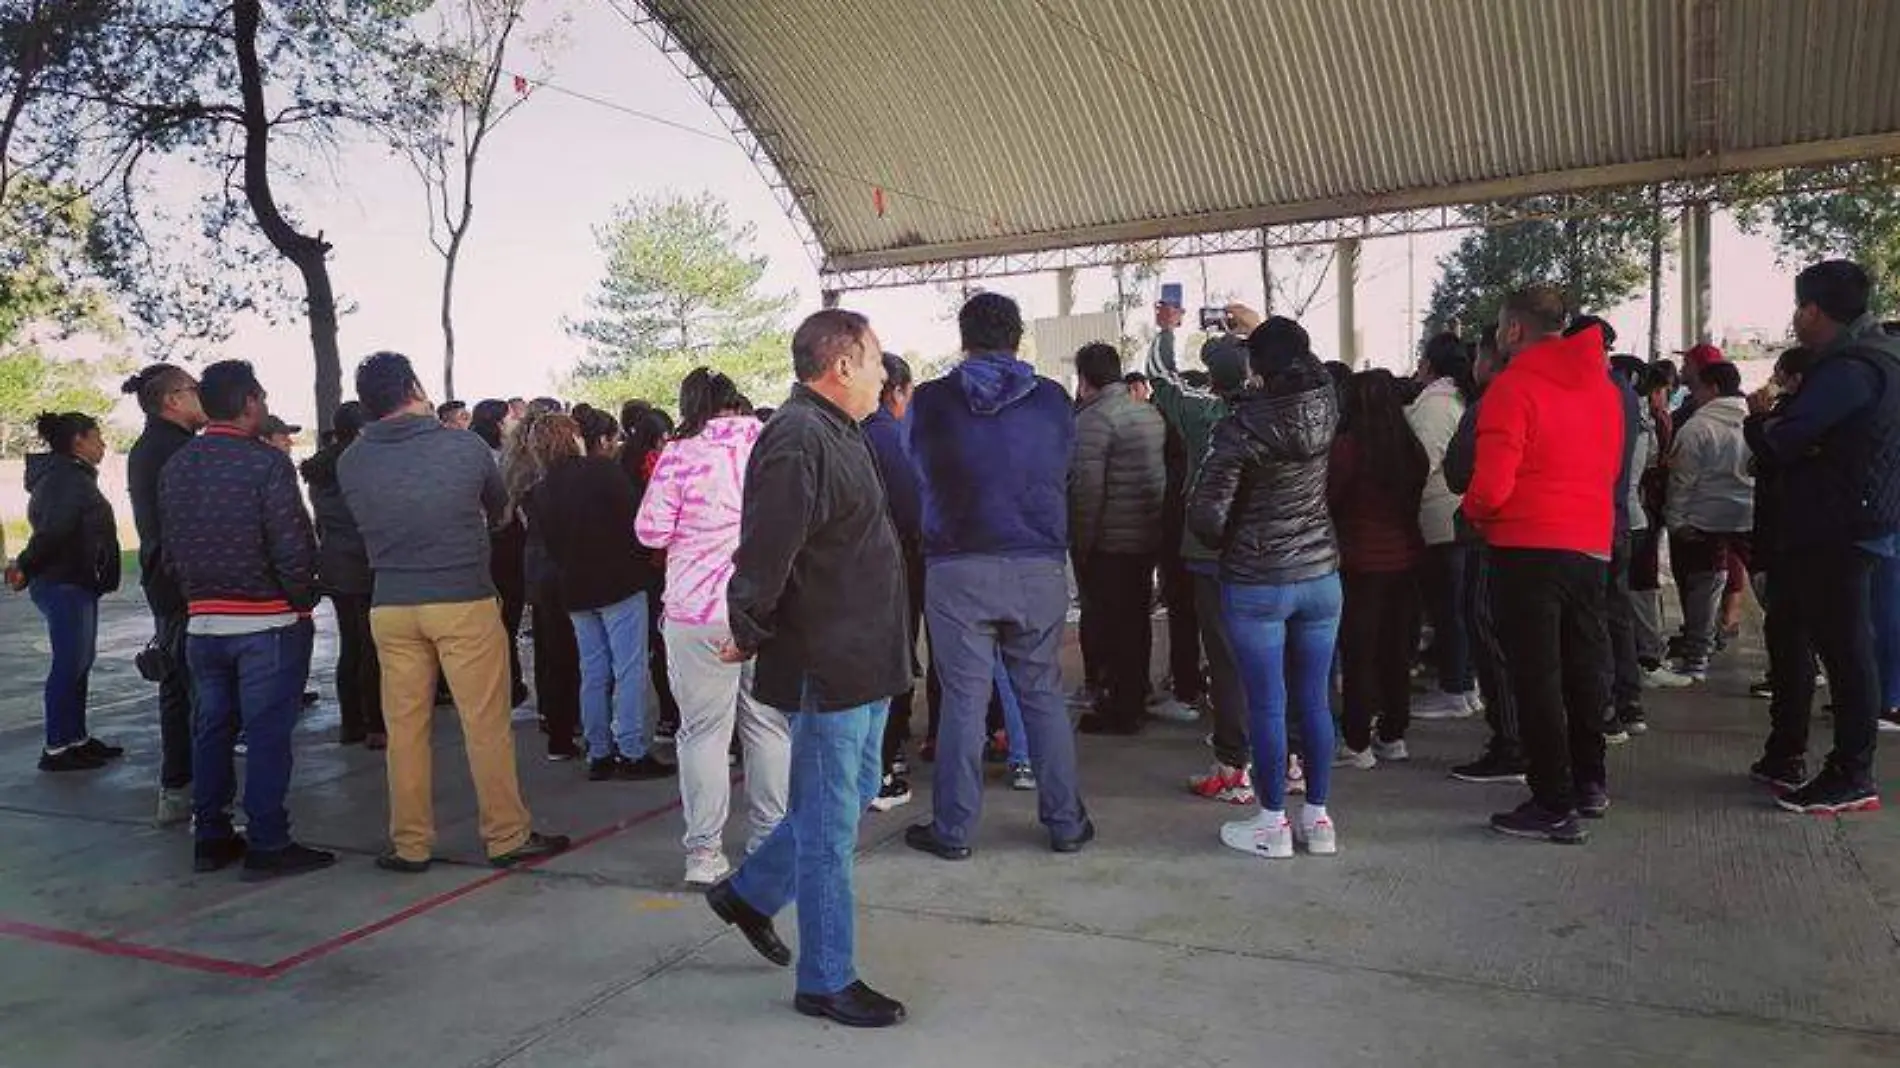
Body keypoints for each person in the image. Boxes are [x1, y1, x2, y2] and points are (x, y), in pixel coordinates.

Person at [703, 309, 911, 1028]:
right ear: (842, 363)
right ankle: (826, 979)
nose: (886, 372)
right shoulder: (796, 439)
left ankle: (751, 894)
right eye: (877, 358)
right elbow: (765, 550)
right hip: (829, 659)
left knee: (849, 794)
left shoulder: (837, 432)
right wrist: (747, 627)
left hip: (864, 654)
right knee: (828, 827)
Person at [338, 351, 569, 871]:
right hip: (461, 595)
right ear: (416, 387)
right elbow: (499, 510)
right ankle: (506, 834)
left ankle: (410, 843)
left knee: (405, 730)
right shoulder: (461, 447)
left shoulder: (352, 460)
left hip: (392, 603)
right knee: (484, 724)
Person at [903, 292, 1093, 861]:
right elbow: (1066, 466)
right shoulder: (1054, 401)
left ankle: (954, 831)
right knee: (1041, 694)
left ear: (964, 339)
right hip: (1036, 561)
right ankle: (1065, 822)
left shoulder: (932, 400)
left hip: (958, 564)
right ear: (1018, 338)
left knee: (963, 699)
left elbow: (917, 468)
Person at [157, 361, 331, 879]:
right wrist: (302, 601)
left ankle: (210, 837)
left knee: (210, 731)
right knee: (267, 735)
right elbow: (291, 545)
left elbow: (169, 548)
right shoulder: (266, 465)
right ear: (250, 401)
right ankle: (268, 843)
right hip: (266, 624)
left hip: (203, 623)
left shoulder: (178, 466)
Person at [1463, 287, 1623, 844]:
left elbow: (1491, 484)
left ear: (1513, 332)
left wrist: (1473, 514)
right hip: (1591, 543)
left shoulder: (1515, 386)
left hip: (1527, 546)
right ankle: (1589, 782)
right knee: (1583, 670)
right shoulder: (1603, 387)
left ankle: (1552, 800)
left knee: (1536, 677)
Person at [1743, 260, 1900, 813]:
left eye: (1797, 308)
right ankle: (1786, 751)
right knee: (1793, 635)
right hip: (1840, 522)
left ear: (1812, 310)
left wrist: (1762, 422)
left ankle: (1852, 774)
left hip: (1835, 527)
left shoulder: (1850, 369)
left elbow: (1785, 439)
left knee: (1845, 649)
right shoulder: (1880, 358)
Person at [1190, 310, 1343, 860]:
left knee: (1267, 706)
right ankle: (1319, 820)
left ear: (1255, 365)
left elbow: (1207, 517)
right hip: (1321, 576)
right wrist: (1265, 329)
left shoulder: (1239, 425)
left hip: (1259, 582)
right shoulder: (1327, 403)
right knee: (1316, 701)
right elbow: (1315, 365)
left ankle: (1273, 824)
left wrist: (1235, 539)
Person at [636, 367, 790, 887]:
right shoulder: (770, 444)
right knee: (768, 726)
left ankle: (703, 855)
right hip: (763, 608)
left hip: (697, 612)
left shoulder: (680, 455)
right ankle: (770, 841)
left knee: (703, 734)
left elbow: (650, 530)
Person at [528, 406, 674, 782]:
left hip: (575, 588)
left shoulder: (540, 491)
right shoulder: (601, 472)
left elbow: (554, 547)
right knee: (629, 669)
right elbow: (637, 521)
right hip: (618, 582)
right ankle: (630, 748)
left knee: (592, 670)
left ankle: (599, 751)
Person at [7, 413, 123, 772]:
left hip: (76, 580)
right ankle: (57, 748)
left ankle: (76, 738)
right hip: (62, 581)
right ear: (78, 441)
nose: (103, 445)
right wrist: (23, 564)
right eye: (97, 437)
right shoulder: (65, 480)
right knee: (68, 664)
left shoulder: (71, 476)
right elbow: (54, 531)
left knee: (78, 663)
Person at [1069, 340, 1171, 734]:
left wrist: (1081, 543)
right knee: (1136, 624)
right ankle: (1135, 694)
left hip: (1109, 543)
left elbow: (1087, 492)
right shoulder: (1147, 414)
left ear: (1084, 378)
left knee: (1111, 628)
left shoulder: (1093, 420)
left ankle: (1120, 708)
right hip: (1145, 537)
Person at [1329, 371, 1428, 770]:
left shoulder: (1348, 450)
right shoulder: (1410, 448)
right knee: (1395, 652)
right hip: (1406, 559)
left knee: (1359, 654)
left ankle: (1357, 742)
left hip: (1359, 563)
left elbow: (1330, 498)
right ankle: (1393, 733)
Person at [1442, 326, 1527, 784]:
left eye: (1478, 358)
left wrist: (1475, 508)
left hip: (1487, 536)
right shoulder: (1551, 397)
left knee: (1491, 640)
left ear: (1492, 362)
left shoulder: (1487, 407)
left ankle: (1510, 745)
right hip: (1535, 539)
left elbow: (1458, 473)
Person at [124, 363, 206, 825]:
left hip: (166, 585)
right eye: (194, 391)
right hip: (184, 586)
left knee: (178, 690)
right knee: (202, 696)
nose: (202, 398)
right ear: (172, 400)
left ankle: (178, 790)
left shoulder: (153, 447)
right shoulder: (174, 450)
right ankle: (205, 809)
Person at [1663, 360, 1755, 682]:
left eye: (1697, 387)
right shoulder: (1753, 421)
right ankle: (1804, 662)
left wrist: (1676, 520)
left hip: (1705, 519)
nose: (1693, 394)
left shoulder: (1696, 428)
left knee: (1705, 588)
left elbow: (1681, 482)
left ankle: (1696, 660)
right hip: (1750, 516)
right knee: (1772, 589)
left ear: (1713, 388)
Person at [301, 401, 384, 747]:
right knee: (371, 647)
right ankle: (375, 722)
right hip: (363, 561)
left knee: (350, 644)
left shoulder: (320, 470)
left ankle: (352, 722)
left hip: (335, 562)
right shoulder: (360, 466)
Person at [861, 354, 924, 809]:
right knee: (893, 660)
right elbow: (911, 505)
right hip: (893, 564)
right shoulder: (887, 436)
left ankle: (879, 757)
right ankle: (883, 765)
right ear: (895, 391)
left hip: (859, 568)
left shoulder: (847, 432)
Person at [1407, 333, 1481, 720]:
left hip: (1438, 519)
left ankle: (1456, 687)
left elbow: (1421, 461)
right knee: (1459, 608)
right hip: (1455, 517)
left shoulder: (1434, 404)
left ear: (1429, 364)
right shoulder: (1457, 399)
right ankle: (1463, 685)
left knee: (1449, 609)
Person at [504, 414, 583, 761]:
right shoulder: (557, 481)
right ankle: (567, 722)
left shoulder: (519, 476)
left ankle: (552, 718)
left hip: (537, 568)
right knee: (569, 651)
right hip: (561, 569)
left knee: (549, 649)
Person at [619, 401, 684, 743]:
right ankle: (675, 714)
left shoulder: (619, 465)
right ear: (660, 438)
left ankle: (666, 718)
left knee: (654, 646)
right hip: (663, 564)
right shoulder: (660, 469)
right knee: (669, 644)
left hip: (636, 569)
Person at [470, 398, 529, 709]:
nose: (512, 424)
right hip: (503, 543)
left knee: (495, 621)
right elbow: (502, 509)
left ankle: (502, 682)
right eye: (508, 419)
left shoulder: (468, 454)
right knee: (507, 618)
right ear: (497, 424)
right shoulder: (498, 458)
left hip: (483, 546)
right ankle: (508, 682)